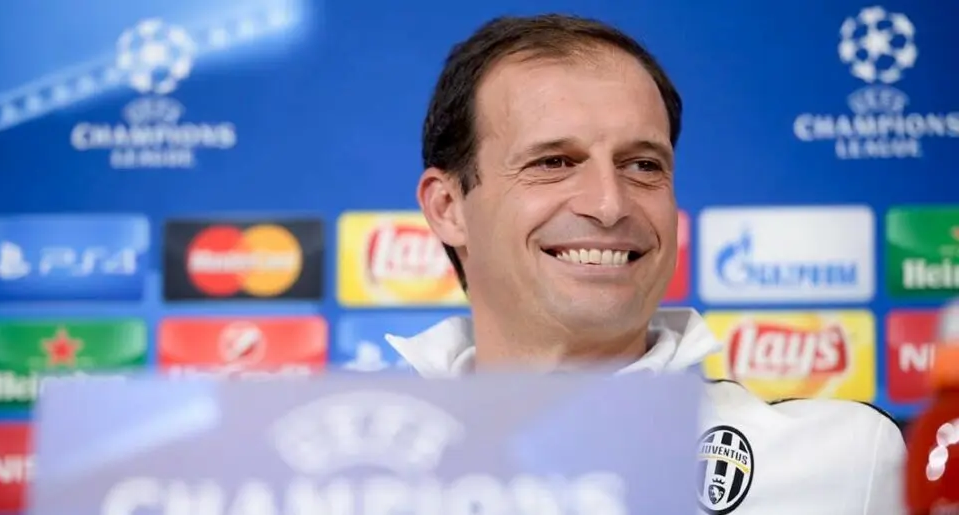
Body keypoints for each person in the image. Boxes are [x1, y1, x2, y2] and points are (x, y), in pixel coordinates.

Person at [385, 13, 907, 514]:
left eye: (642, 165)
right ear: (448, 208)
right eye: (554, 162)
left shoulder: (842, 464)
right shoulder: (354, 477)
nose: (609, 204)